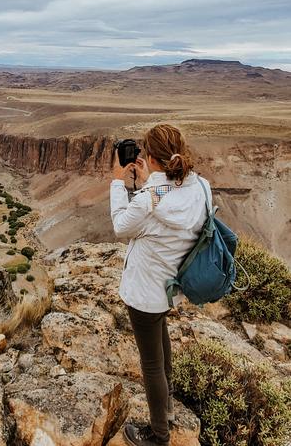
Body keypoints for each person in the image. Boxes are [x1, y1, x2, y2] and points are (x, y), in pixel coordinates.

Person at [109, 123, 212, 446]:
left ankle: (158, 434)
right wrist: (150, 180)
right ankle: (166, 411)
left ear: (150, 157)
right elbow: (168, 196)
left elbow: (121, 227)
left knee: (152, 365)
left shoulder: (151, 198)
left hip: (144, 292)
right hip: (169, 286)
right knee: (163, 351)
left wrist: (117, 182)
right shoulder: (200, 187)